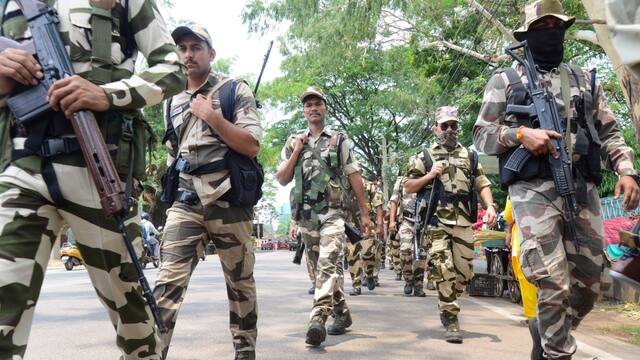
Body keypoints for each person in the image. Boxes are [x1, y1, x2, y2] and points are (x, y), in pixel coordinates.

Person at [0, 0, 185, 358]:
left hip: (98, 168)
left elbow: (172, 69)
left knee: (134, 321)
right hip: (21, 166)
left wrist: (107, 94)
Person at [473, 1, 640, 358]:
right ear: (527, 35)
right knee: (552, 279)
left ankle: (546, 330)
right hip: (533, 189)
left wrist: (625, 171)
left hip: (582, 185)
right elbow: (482, 135)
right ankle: (555, 353)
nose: (550, 33)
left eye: (555, 26)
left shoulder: (583, 78)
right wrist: (520, 135)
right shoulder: (506, 79)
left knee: (589, 285)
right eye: (541, 27)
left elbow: (609, 131)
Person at [152, 22, 260, 360]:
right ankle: (150, 352)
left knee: (239, 282)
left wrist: (212, 117)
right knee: (167, 281)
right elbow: (174, 156)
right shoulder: (170, 101)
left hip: (227, 200)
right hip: (186, 201)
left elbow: (252, 144)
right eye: (182, 48)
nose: (188, 54)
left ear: (210, 54)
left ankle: (245, 350)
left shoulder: (233, 90)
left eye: (195, 47)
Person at [276, 86, 371, 346]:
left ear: (325, 108)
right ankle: (342, 313)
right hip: (307, 216)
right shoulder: (294, 141)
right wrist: (297, 150)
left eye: (317, 103)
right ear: (304, 111)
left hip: (333, 213)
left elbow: (354, 174)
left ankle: (317, 319)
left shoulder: (339, 140)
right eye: (308, 104)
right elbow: (283, 179)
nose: (313, 108)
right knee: (318, 271)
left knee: (328, 264)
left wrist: (365, 213)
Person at [406, 106, 496, 344]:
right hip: (436, 221)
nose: (449, 130)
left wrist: (490, 206)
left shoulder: (470, 155)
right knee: (444, 269)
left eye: (453, 125)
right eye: (444, 126)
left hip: (464, 220)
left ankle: (446, 297)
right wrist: (430, 175)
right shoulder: (424, 156)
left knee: (464, 274)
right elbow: (409, 186)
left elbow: (481, 182)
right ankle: (451, 317)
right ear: (436, 128)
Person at [390, 175, 425, 296]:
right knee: (405, 251)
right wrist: (392, 221)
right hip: (406, 221)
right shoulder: (401, 181)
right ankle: (408, 279)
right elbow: (394, 201)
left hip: (424, 222)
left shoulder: (428, 177)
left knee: (421, 255)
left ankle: (419, 286)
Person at [362, 176, 384, 290]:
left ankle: (373, 275)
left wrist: (380, 225)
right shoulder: (344, 184)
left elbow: (378, 205)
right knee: (355, 252)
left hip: (370, 223)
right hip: (353, 223)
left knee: (374, 252)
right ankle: (362, 277)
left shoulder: (369, 186)